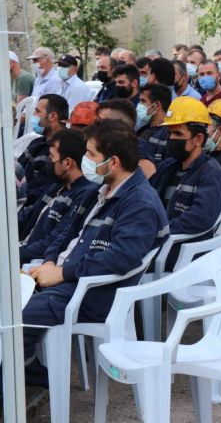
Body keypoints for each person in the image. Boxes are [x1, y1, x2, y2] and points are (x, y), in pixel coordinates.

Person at [22, 120, 169, 391]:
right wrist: (50, 262)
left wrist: (62, 273)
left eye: (91, 154)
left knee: (14, 320)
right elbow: (63, 234)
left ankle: (33, 380)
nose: (85, 160)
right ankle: (27, 374)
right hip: (64, 279)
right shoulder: (98, 190)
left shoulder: (140, 204)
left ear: (113, 162)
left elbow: (121, 258)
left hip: (90, 293)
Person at [150, 96, 221, 268]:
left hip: (180, 254)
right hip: (154, 244)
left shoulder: (211, 173)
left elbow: (200, 219)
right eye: (170, 133)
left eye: (178, 134)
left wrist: (159, 231)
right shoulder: (167, 167)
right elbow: (147, 201)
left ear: (198, 139)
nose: (171, 139)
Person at [18, 129, 97, 264]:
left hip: (33, 262)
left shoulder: (84, 195)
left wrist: (14, 254)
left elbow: (52, 241)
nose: (48, 161)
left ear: (67, 163)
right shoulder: (57, 186)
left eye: (52, 156)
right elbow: (28, 215)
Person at [18, 94, 69, 206]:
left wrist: (15, 195)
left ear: (52, 116)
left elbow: (39, 190)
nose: (34, 115)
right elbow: (16, 171)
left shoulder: (62, 150)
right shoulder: (37, 143)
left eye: (37, 111)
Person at [97, 98, 157, 177]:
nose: (95, 124)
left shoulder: (138, 149)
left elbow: (146, 179)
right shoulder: (105, 145)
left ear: (118, 124)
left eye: (101, 120)